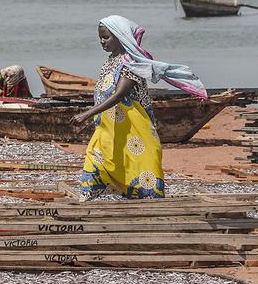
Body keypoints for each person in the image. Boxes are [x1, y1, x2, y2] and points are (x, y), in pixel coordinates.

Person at [69, 15, 206, 200]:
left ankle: (146, 200)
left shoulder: (131, 63)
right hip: (109, 126)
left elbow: (119, 95)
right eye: (100, 37)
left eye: (106, 37)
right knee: (97, 157)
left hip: (134, 128)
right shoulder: (110, 60)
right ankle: (92, 196)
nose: (102, 41)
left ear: (120, 36)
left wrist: (86, 114)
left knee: (139, 163)